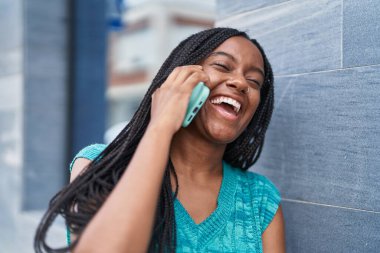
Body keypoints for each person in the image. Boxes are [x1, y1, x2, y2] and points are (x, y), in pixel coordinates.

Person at [35, 27, 285, 253]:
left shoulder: (259, 199)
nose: (241, 83)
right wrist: (161, 125)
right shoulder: (99, 165)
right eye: (222, 66)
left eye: (254, 81)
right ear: (179, 78)